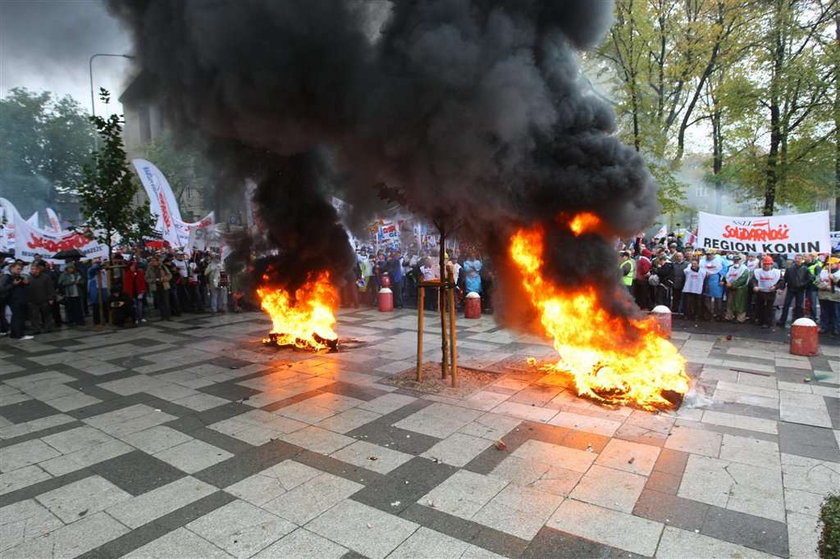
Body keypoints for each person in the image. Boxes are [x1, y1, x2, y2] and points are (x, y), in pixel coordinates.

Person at [777, 254, 812, 327]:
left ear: (802, 260)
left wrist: (803, 284)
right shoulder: (790, 269)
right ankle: (782, 320)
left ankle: (799, 321)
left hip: (800, 290)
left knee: (799, 306)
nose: (797, 260)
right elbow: (785, 279)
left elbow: (809, 279)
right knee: (786, 305)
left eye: (799, 258)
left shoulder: (805, 269)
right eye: (796, 258)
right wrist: (781, 288)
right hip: (791, 289)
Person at [0, 263, 31, 339]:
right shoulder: (6, 277)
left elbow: (23, 287)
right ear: (12, 268)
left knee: (18, 317)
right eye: (18, 269)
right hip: (13, 300)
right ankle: (18, 335)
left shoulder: (19, 277)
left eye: (20, 269)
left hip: (21, 300)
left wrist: (26, 283)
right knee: (17, 317)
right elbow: (2, 288)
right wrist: (13, 284)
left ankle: (16, 334)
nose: (19, 271)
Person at [26, 262, 55, 334]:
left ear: (39, 270)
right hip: (32, 300)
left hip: (44, 299)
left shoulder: (46, 277)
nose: (33, 270)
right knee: (34, 316)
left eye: (35, 269)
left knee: (46, 315)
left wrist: (51, 298)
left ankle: (48, 328)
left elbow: (50, 288)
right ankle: (36, 329)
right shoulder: (29, 278)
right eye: (32, 269)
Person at [753, 256, 782, 328]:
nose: (766, 266)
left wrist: (775, 287)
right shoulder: (757, 271)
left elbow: (781, 281)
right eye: (765, 264)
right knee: (760, 306)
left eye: (768, 264)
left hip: (771, 292)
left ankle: (768, 322)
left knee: (769, 307)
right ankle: (760, 320)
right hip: (761, 291)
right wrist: (755, 286)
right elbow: (753, 280)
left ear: (771, 264)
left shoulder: (777, 272)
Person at [816, 257, 840, 335]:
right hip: (824, 295)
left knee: (835, 313)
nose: (829, 266)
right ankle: (824, 327)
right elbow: (816, 282)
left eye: (831, 264)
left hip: (835, 296)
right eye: (828, 264)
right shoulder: (823, 272)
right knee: (824, 313)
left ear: (836, 264)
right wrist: (825, 286)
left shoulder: (838, 273)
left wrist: (834, 279)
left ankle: (835, 328)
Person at [145, 255, 173, 320]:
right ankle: (162, 315)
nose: (152, 262)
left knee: (166, 302)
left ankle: (168, 316)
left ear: (157, 261)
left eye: (154, 261)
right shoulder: (149, 268)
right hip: (155, 287)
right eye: (152, 261)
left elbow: (169, 275)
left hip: (164, 286)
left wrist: (164, 279)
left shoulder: (163, 267)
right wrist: (154, 280)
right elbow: (146, 278)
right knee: (159, 302)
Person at [723, 254, 750, 323]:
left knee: (740, 304)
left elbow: (743, 279)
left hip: (740, 289)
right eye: (735, 260)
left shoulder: (745, 269)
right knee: (730, 303)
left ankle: (740, 318)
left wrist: (732, 284)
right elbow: (726, 276)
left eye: (737, 260)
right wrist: (724, 281)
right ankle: (729, 316)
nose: (736, 262)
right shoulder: (730, 268)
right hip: (731, 289)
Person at [702, 251, 725, 320]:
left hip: (717, 280)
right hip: (707, 280)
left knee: (718, 299)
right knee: (707, 298)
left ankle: (718, 314)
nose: (709, 256)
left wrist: (723, 280)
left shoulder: (720, 260)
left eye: (710, 255)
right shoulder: (703, 261)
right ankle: (708, 314)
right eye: (707, 255)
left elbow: (725, 270)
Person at [123, 259, 148, 324]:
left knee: (140, 306)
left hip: (139, 292)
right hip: (132, 292)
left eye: (134, 266)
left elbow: (142, 282)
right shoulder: (127, 274)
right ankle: (136, 318)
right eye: (131, 266)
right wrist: (128, 294)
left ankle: (141, 317)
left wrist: (142, 291)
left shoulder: (139, 273)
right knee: (134, 307)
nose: (133, 267)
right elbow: (127, 284)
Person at [682, 258, 706, 322]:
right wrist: (690, 266)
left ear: (698, 264)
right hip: (688, 289)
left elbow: (704, 276)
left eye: (695, 264)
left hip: (697, 289)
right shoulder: (688, 270)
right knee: (688, 303)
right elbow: (685, 271)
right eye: (692, 263)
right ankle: (687, 315)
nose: (693, 265)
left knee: (697, 304)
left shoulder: (702, 271)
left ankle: (696, 315)